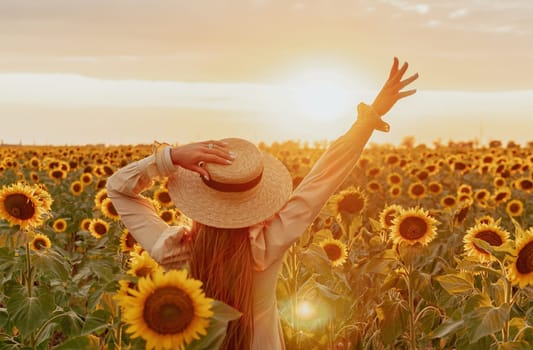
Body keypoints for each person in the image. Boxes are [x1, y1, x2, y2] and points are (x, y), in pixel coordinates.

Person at [106, 57, 418, 350]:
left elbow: (119, 190)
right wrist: (368, 119)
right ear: (257, 196)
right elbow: (323, 177)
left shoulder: (175, 252)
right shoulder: (269, 244)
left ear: (200, 200)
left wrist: (169, 158)